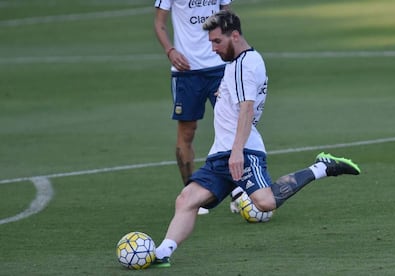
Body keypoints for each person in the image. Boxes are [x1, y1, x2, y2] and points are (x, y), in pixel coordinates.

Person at [150, 10, 361, 268]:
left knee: (265, 202)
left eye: (217, 42)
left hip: (243, 151)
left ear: (235, 36)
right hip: (221, 154)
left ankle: (322, 167)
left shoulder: (243, 65)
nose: (213, 48)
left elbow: (247, 109)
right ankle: (162, 253)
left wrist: (237, 151)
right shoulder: (240, 64)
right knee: (186, 200)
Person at [154, 0, 244, 215]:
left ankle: (240, 191)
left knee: (233, 127)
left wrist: (234, 51)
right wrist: (170, 51)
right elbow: (159, 23)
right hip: (187, 70)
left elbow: (228, 16)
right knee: (187, 131)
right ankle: (191, 193)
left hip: (220, 67)